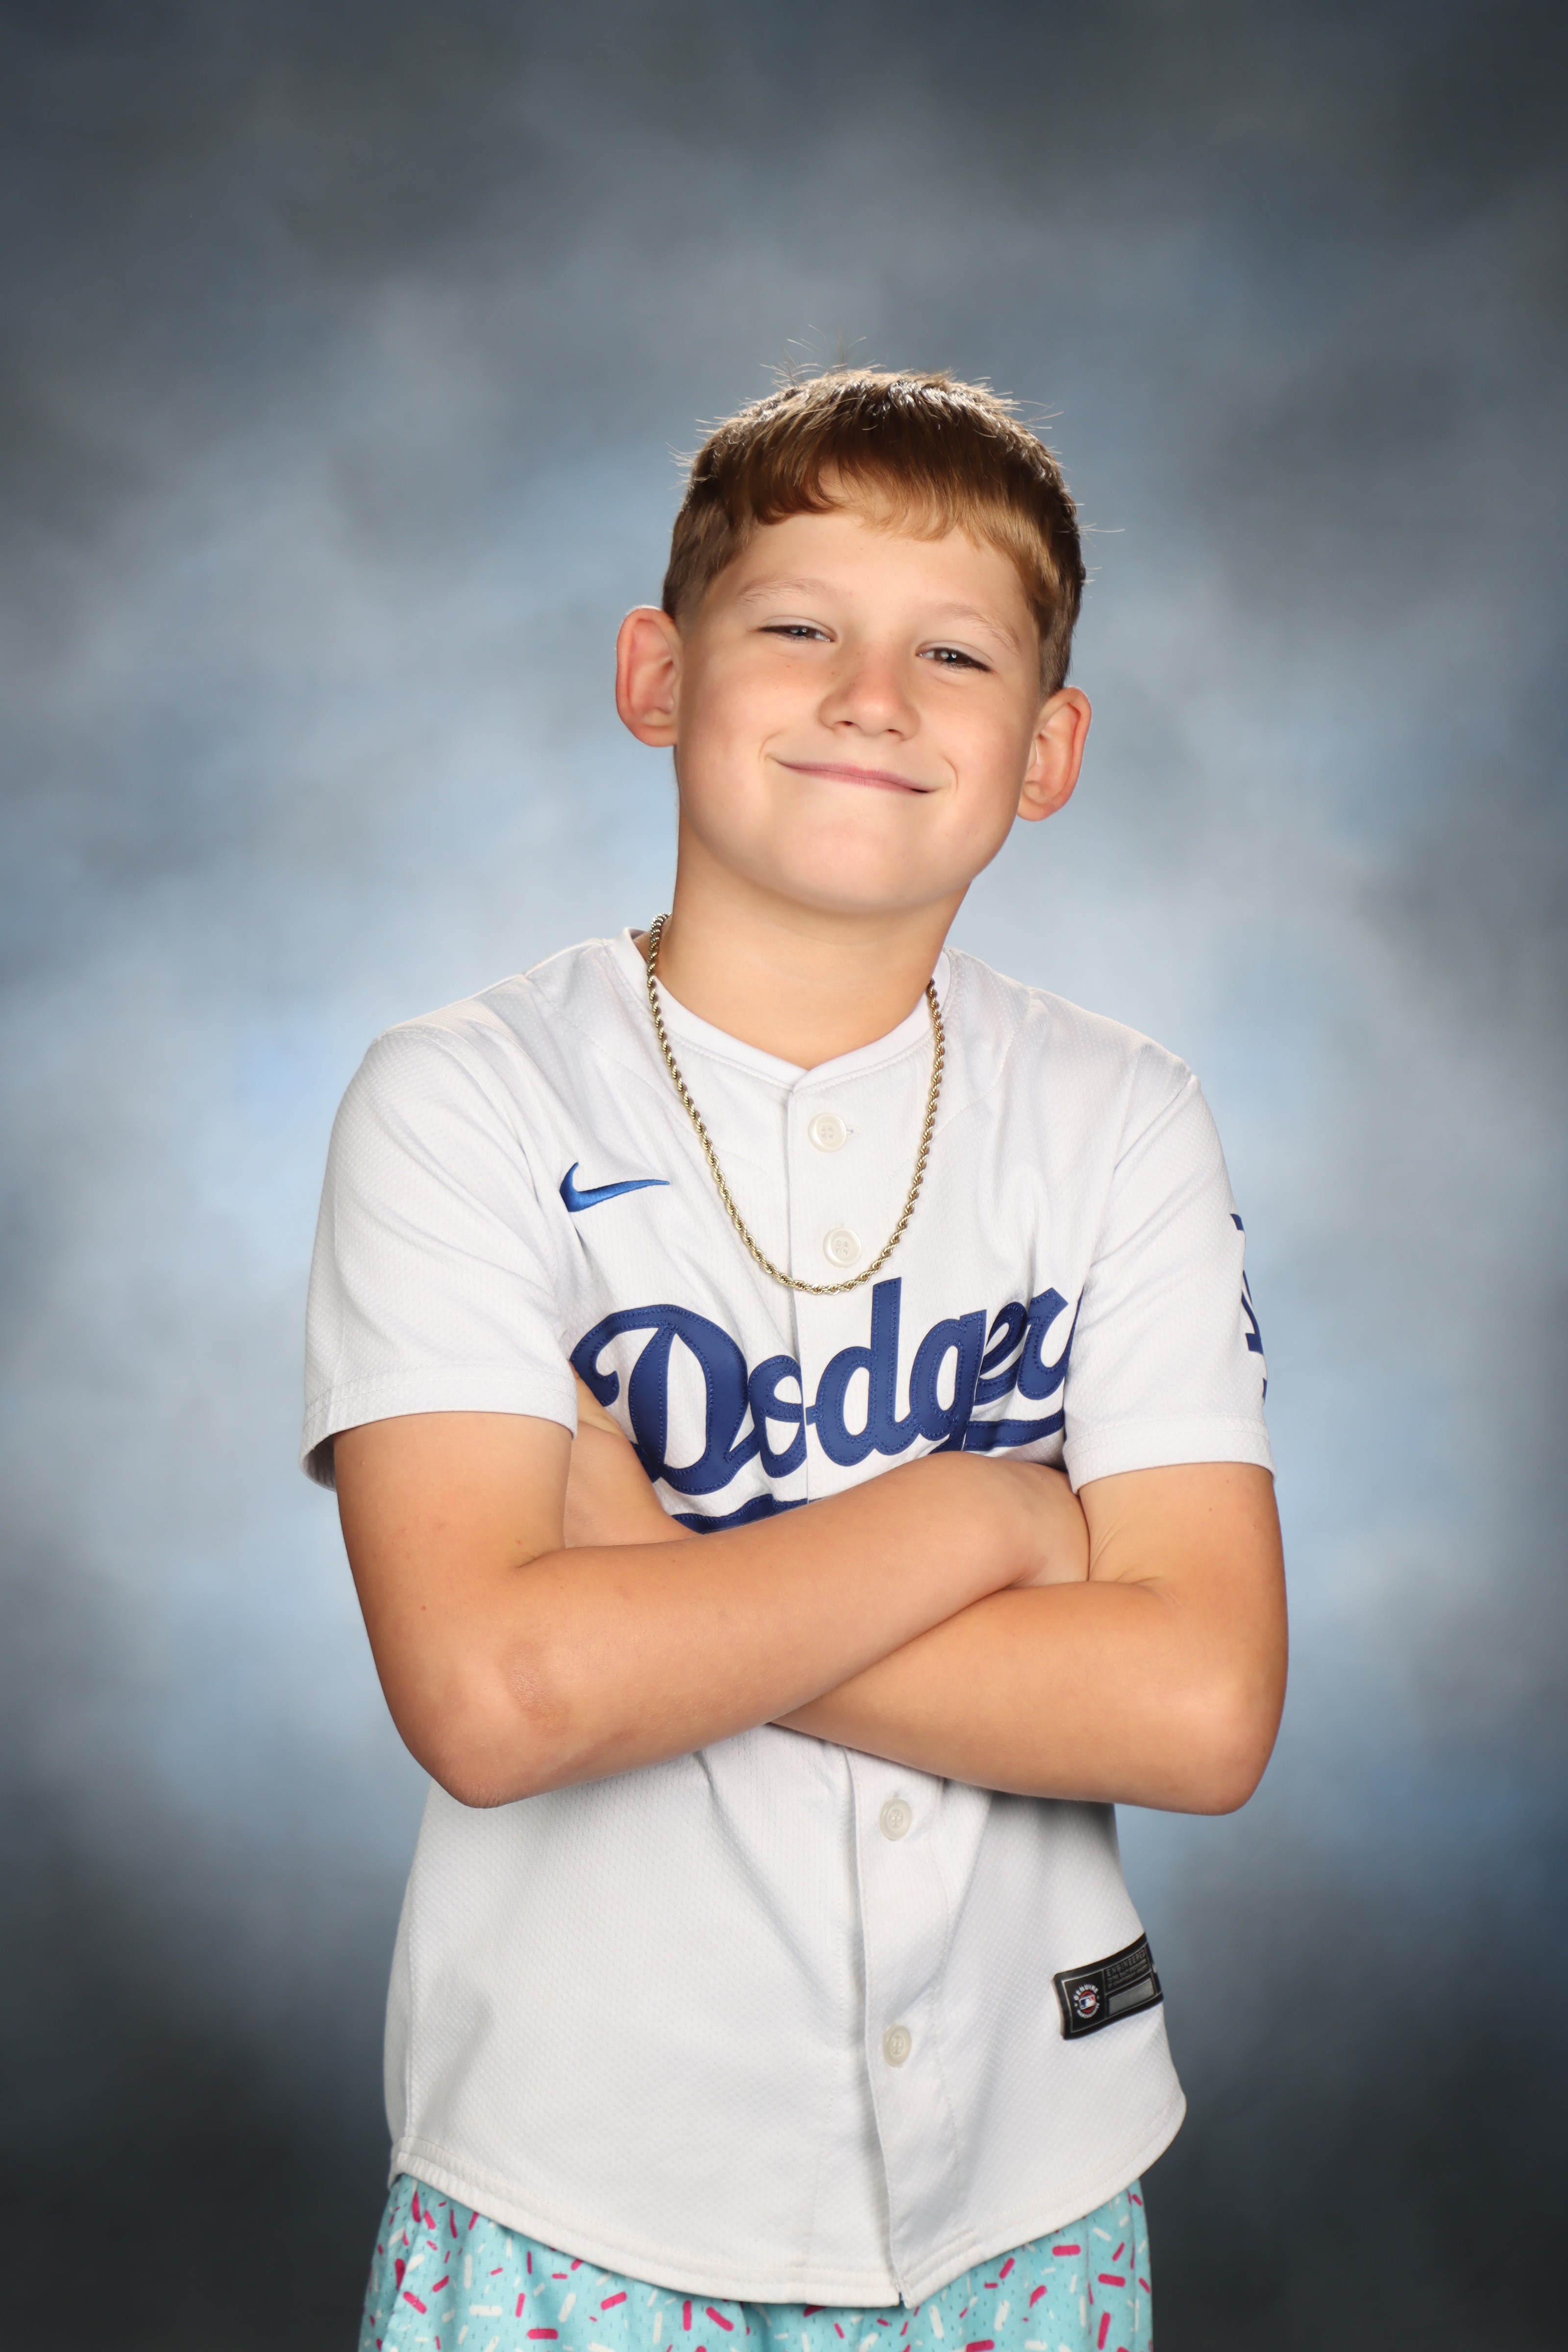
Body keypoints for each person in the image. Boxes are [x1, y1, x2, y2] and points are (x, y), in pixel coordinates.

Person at [303, 369, 1285, 2352]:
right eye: (798, 627)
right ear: (656, 677)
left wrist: (662, 1588)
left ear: (1046, 750)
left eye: (954, 653)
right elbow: (499, 1695)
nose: (872, 698)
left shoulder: (1119, 1117)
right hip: (580, 2193)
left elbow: (1196, 1712)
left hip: (1026, 2187)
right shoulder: (465, 1100)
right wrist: (986, 1515)